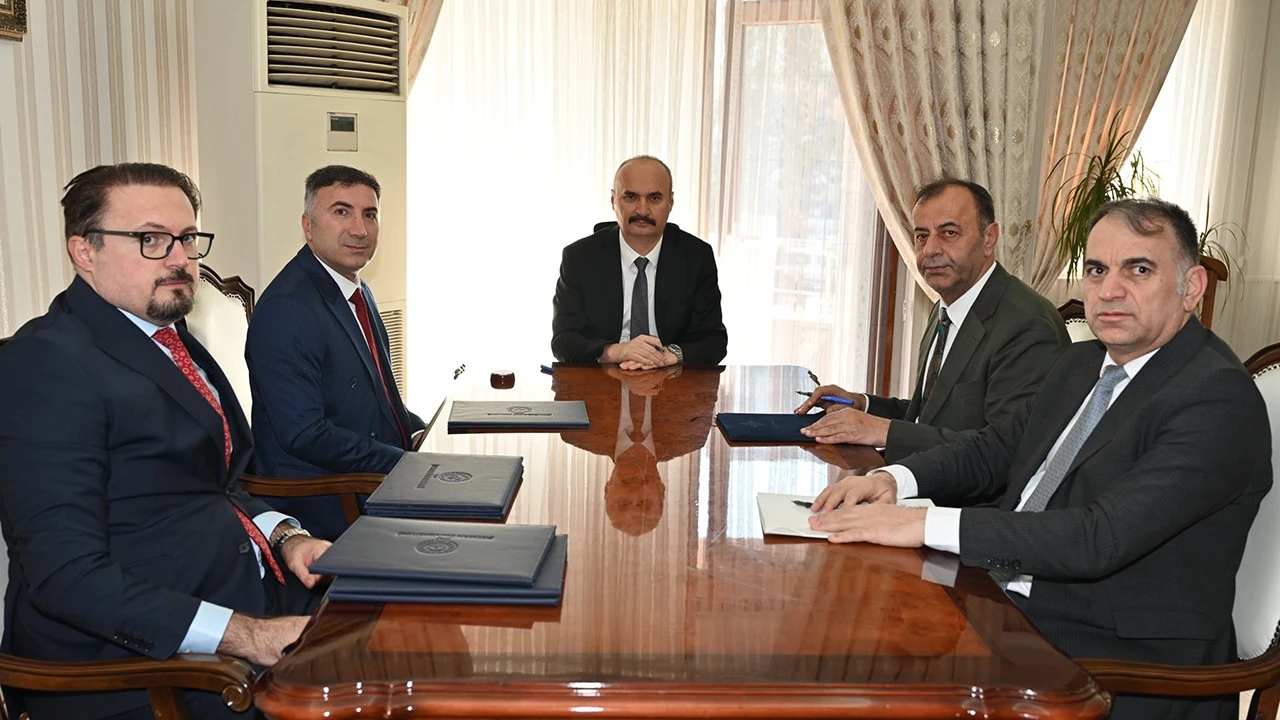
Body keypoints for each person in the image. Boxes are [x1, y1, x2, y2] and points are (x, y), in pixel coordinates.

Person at [808, 198, 1271, 720]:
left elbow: (1098, 538)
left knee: (865, 682)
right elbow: (994, 449)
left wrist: (921, 524)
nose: (1110, 290)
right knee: (844, 638)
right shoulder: (1081, 362)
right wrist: (895, 479)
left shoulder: (1216, 399)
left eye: (1139, 270)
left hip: (1119, 663)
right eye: (1097, 270)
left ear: (1191, 288)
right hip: (1008, 603)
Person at [0, 163, 331, 720]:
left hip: (241, 593)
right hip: (137, 665)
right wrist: (246, 635)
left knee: (420, 624)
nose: (180, 259)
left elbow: (212, 483)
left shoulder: (164, 335)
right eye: (151, 240)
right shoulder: (46, 363)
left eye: (187, 238)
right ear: (84, 251)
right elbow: (66, 576)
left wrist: (286, 537)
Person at [796, 179, 1069, 462]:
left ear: (989, 238)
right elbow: (930, 418)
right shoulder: (945, 309)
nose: (929, 250)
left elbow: (1004, 451)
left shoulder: (1028, 325)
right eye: (922, 236)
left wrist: (883, 431)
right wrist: (862, 405)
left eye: (949, 233)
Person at [246, 165, 426, 540]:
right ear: (308, 226)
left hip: (367, 474)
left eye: (369, 214)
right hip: (322, 498)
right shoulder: (287, 307)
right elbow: (304, 434)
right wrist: (404, 463)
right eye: (342, 211)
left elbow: (378, 397)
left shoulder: (357, 290)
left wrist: (421, 430)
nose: (360, 229)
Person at [551, 155, 728, 368]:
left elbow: (713, 340)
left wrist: (669, 355)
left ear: (670, 202)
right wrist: (617, 351)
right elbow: (564, 341)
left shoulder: (696, 257)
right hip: (603, 377)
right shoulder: (580, 257)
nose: (642, 210)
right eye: (630, 197)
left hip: (671, 377)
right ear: (613, 200)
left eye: (654, 198)